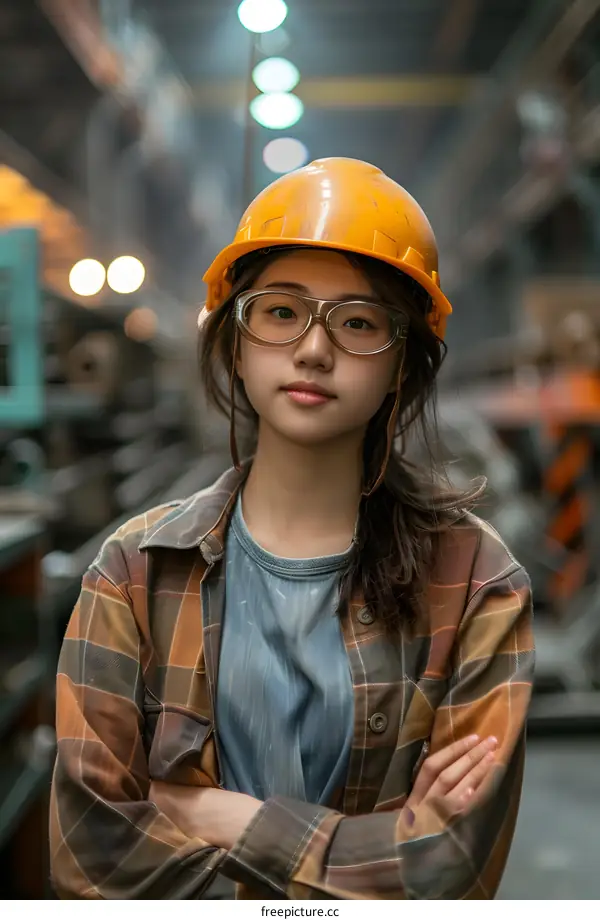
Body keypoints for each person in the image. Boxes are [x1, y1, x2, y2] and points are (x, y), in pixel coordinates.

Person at [50, 157, 535, 900]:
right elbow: (93, 862)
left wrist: (231, 819)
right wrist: (364, 859)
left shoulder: (475, 582)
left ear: (402, 365)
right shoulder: (134, 573)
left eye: (359, 322)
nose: (314, 348)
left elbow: (450, 869)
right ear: (236, 345)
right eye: (281, 310)